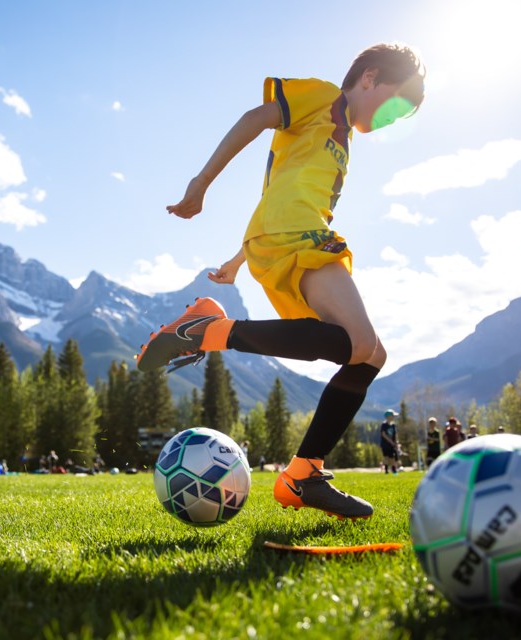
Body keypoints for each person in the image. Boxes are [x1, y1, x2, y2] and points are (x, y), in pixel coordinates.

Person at [135, 43, 426, 520]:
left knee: (368, 353)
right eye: (394, 104)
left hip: (286, 238)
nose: (392, 119)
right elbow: (255, 117)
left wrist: (238, 258)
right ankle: (207, 332)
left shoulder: (339, 136)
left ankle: (303, 474)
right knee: (359, 345)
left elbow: (278, 187)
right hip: (294, 237)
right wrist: (201, 183)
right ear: (370, 78)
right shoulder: (325, 96)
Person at [380, 409, 399, 474]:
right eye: (393, 415)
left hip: (392, 444)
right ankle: (386, 470)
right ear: (388, 416)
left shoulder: (393, 425)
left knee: (393, 457)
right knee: (386, 457)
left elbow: (395, 434)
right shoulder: (384, 424)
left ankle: (394, 470)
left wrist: (396, 442)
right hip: (385, 444)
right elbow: (383, 434)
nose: (393, 417)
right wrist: (391, 442)